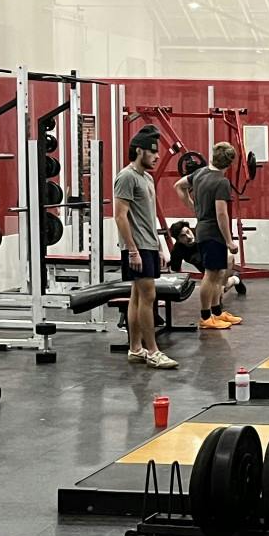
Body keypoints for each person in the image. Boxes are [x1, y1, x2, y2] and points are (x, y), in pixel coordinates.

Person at [111, 132, 177, 371]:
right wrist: (132, 250)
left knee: (137, 296)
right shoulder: (126, 177)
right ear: (139, 151)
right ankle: (153, 352)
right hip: (136, 247)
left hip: (148, 245)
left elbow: (149, 218)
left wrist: (159, 246)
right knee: (148, 297)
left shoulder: (147, 178)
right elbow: (120, 216)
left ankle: (135, 348)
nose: (158, 156)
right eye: (153, 151)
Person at [176, 143, 243, 332]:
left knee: (219, 273)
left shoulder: (199, 173)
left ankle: (217, 311)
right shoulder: (221, 182)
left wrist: (193, 207)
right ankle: (205, 317)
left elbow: (178, 186)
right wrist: (229, 241)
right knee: (210, 275)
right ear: (229, 163)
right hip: (213, 232)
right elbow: (222, 214)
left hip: (206, 229)